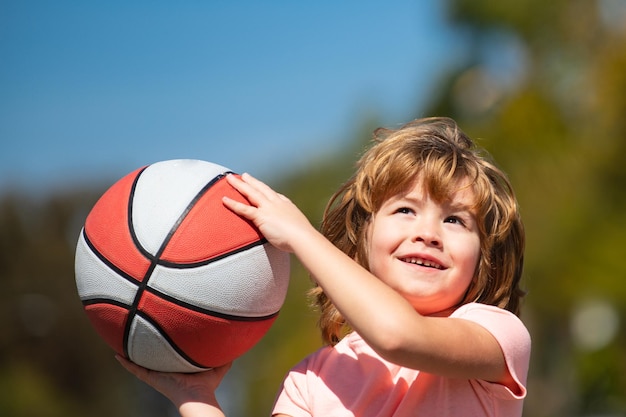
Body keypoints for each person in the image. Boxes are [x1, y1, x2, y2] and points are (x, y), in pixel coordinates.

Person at [118, 117, 531, 416]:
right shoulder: (313, 379)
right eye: (405, 209)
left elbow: (397, 334)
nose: (428, 233)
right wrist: (195, 397)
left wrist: (301, 235)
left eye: (455, 220)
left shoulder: (497, 336)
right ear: (362, 238)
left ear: (483, 263)